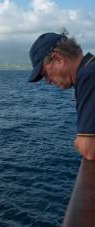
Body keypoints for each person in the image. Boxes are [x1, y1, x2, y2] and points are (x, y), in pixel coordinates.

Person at [28, 31, 95, 161]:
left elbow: (89, 149)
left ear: (58, 59)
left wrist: (80, 142)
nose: (47, 81)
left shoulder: (89, 75)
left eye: (45, 73)